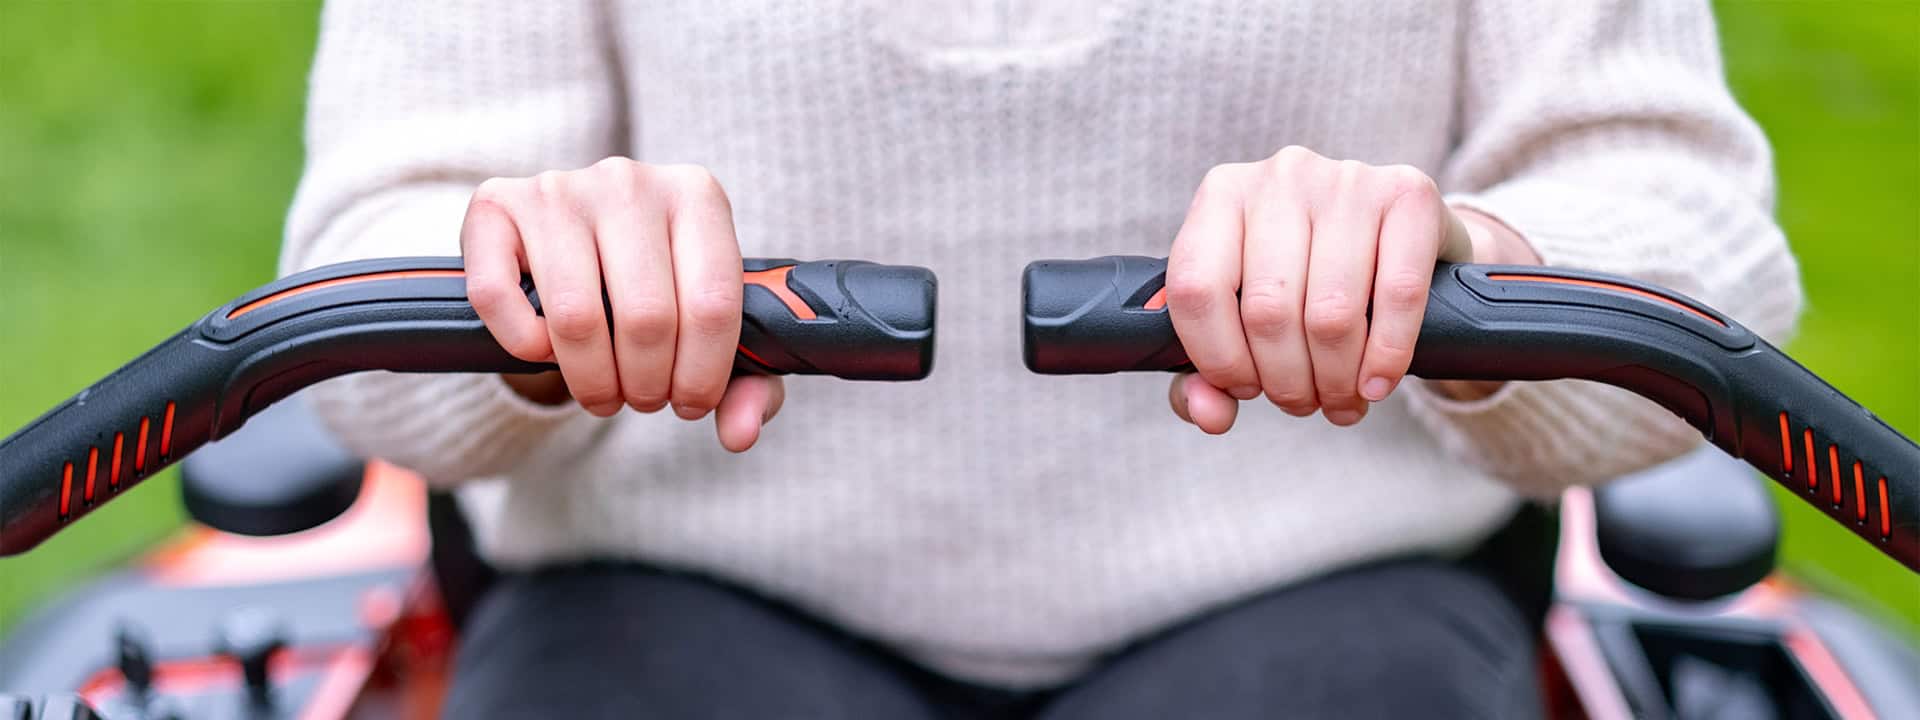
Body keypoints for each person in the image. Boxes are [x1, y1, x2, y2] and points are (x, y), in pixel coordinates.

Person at [284, 1, 1801, 717]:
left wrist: (1475, 271)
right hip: (670, 599)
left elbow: (1684, 219)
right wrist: (541, 290)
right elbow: (371, 266)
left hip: (1327, 608)